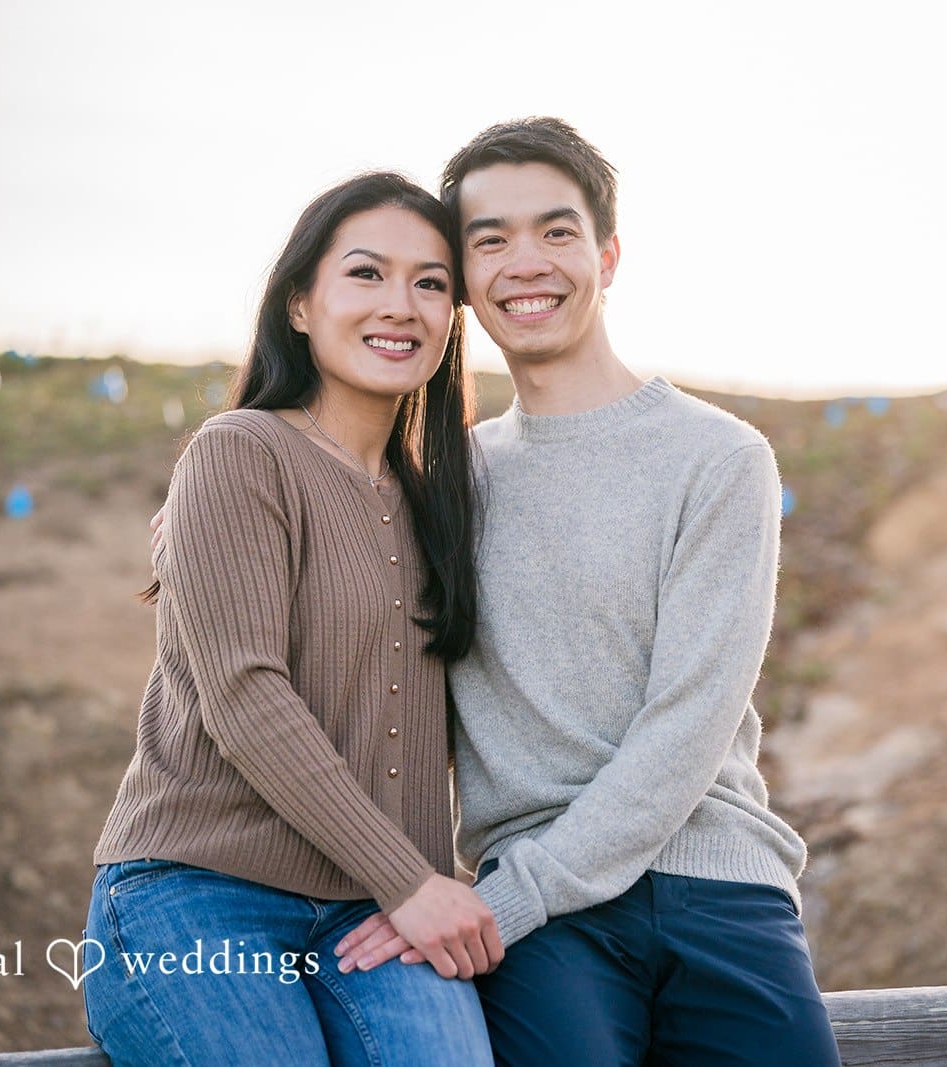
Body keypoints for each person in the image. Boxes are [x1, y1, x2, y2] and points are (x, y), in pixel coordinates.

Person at [332, 119, 843, 1065]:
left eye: (556, 231)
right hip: (547, 924)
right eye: (490, 240)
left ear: (607, 255)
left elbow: (689, 724)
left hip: (715, 885)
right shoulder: (438, 483)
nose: (527, 262)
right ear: (461, 283)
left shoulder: (720, 458)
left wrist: (507, 897)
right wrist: (202, 513)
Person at [84, 172, 500, 1067]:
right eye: (366, 274)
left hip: (375, 913)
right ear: (301, 305)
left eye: (431, 283)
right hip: (198, 890)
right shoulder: (240, 452)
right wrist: (413, 882)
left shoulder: (442, 506)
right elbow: (245, 695)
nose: (403, 305)